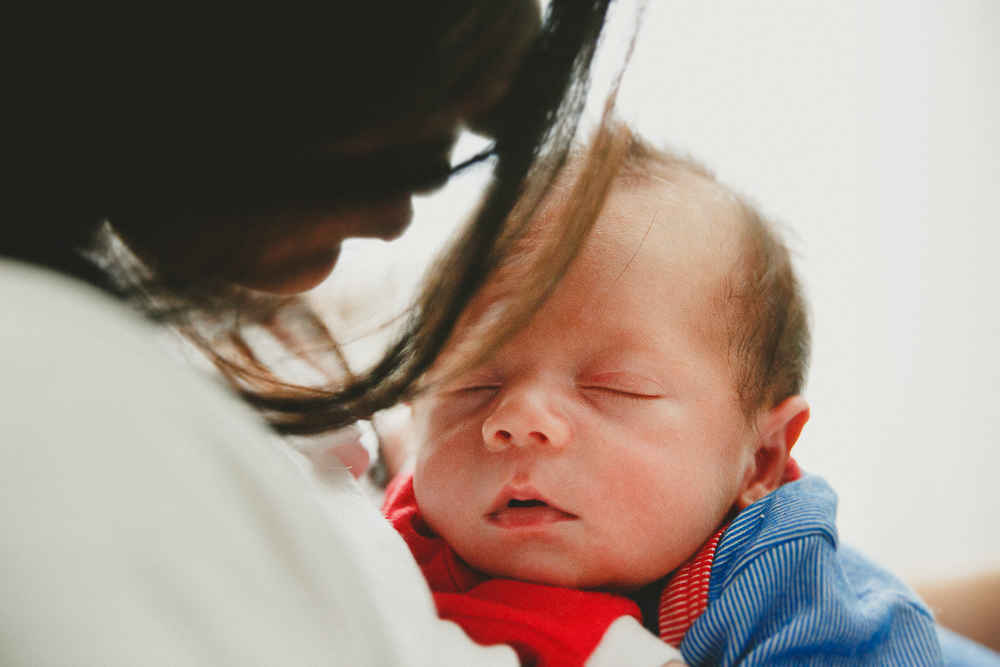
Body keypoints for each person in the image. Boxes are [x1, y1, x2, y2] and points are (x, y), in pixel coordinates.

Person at [0, 3, 680, 665]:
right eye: (402, 156)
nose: (394, 221)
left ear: (762, 452)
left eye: (614, 388)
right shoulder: (54, 396)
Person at [383, 124, 950, 666]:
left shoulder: (776, 576)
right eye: (472, 384)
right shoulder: (391, 539)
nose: (518, 418)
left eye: (616, 388)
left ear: (761, 459)